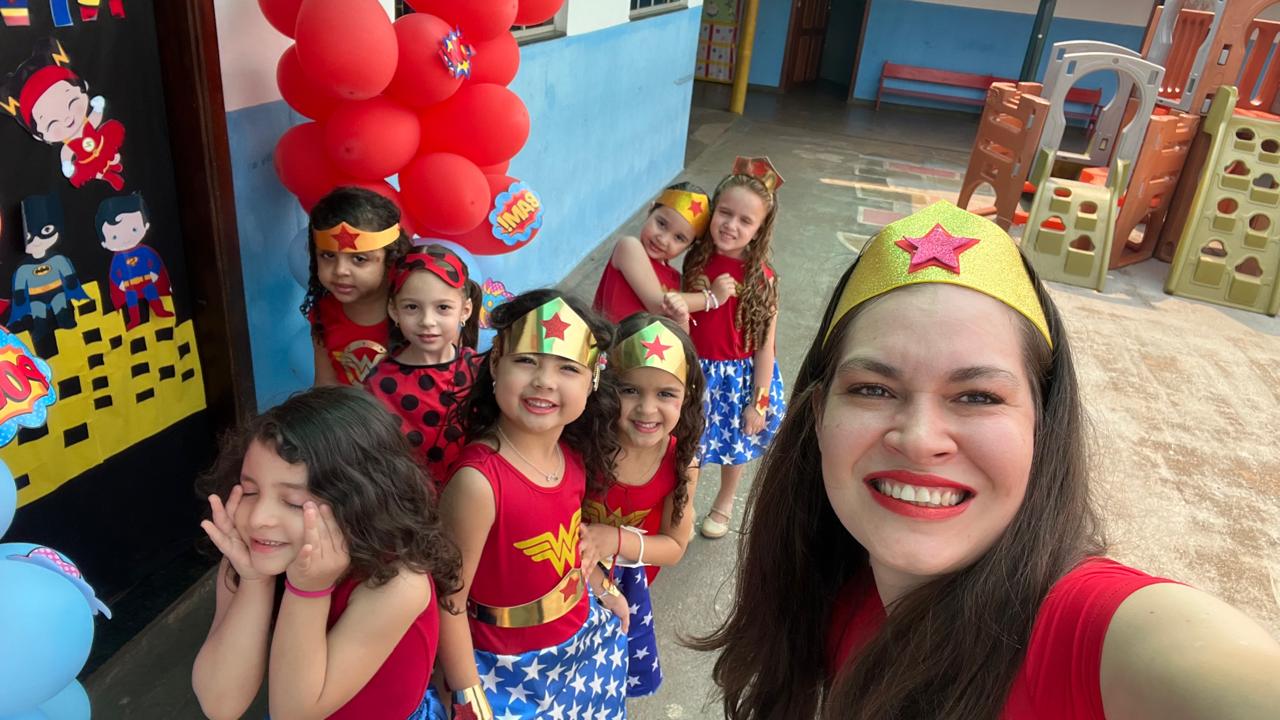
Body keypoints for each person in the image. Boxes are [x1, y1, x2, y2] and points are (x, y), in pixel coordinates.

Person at [693, 201, 1280, 719]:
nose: (919, 439)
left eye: (978, 396)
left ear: (1042, 424)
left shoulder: (1093, 638)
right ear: (819, 416)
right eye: (873, 388)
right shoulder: (829, 592)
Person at [191, 386, 461, 720]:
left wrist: (308, 590)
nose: (259, 518)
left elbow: (293, 715)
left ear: (360, 504)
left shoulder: (398, 583)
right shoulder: (253, 554)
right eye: (249, 491)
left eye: (293, 502)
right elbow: (220, 704)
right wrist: (254, 582)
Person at [434, 291, 629, 719]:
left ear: (593, 379)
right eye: (526, 361)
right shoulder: (478, 483)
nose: (544, 380)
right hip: (505, 671)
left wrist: (602, 585)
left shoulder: (571, 454)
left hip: (579, 647)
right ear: (495, 364)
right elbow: (448, 600)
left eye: (567, 367)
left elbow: (567, 538)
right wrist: (468, 695)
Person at [580, 313, 705, 698]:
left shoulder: (682, 463)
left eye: (666, 394)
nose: (647, 409)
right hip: (567, 578)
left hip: (631, 590)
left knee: (608, 675)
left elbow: (674, 546)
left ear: (687, 397)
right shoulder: (583, 443)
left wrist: (613, 539)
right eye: (630, 390)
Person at [682, 156, 787, 539]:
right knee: (688, 445)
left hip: (736, 379)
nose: (731, 225)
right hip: (694, 371)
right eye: (725, 213)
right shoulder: (696, 259)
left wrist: (758, 402)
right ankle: (684, 507)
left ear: (759, 230)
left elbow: (765, 348)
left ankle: (724, 503)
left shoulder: (762, 279)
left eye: (745, 220)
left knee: (734, 445)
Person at [365, 244, 484, 488]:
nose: (427, 321)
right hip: (405, 500)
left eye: (443, 308)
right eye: (412, 307)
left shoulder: (480, 372)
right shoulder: (378, 383)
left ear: (465, 311)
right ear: (394, 310)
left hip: (470, 498)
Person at [300, 187, 411, 386]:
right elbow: (325, 386)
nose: (340, 270)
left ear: (391, 258)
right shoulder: (323, 314)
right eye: (328, 255)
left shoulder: (418, 311)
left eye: (359, 259)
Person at [592, 182, 729, 331]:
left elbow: (681, 336)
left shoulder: (676, 280)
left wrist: (682, 319)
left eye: (679, 238)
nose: (663, 239)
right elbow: (659, 305)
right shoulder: (629, 248)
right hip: (610, 343)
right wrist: (711, 298)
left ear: (689, 246)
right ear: (650, 210)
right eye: (661, 224)